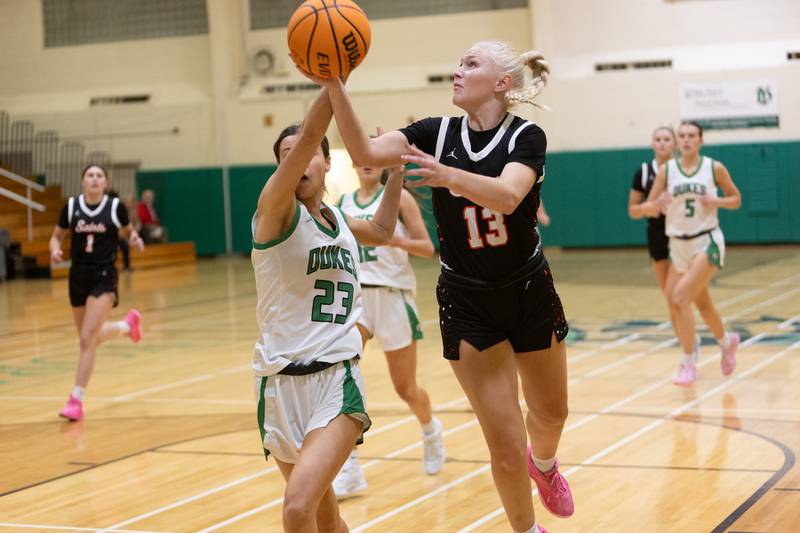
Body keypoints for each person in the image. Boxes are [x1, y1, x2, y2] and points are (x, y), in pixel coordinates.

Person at [299, 40, 572, 533]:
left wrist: (446, 175)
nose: (457, 70)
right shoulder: (431, 132)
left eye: (471, 64)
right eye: (458, 62)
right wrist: (334, 83)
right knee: (506, 447)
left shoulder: (526, 137)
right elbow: (363, 151)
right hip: (467, 298)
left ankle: (547, 465)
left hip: (527, 287)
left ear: (502, 83)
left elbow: (509, 196)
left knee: (551, 415)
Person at [252, 84, 404, 531]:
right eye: (285, 154)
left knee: (298, 508)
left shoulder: (339, 220)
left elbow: (382, 226)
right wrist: (332, 80)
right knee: (325, 515)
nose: (294, 159)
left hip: (336, 378)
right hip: (279, 384)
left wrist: (395, 174)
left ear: (328, 162)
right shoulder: (274, 212)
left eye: (304, 151)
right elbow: (308, 141)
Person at [333, 163, 443, 499]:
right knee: (342, 377)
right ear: (353, 163)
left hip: (394, 296)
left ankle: (430, 430)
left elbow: (427, 248)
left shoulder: (400, 199)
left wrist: (388, 235)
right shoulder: (342, 204)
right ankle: (349, 466)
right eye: (361, 157)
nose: (367, 163)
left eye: (374, 158)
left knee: (406, 388)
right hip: (358, 299)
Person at [643, 121, 742, 386]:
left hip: (706, 242)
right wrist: (656, 204)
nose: (686, 140)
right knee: (703, 304)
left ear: (700, 140)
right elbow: (648, 207)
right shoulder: (667, 171)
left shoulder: (713, 168)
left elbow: (736, 199)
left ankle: (688, 363)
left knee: (679, 298)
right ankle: (726, 342)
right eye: (682, 136)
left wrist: (717, 201)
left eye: (691, 136)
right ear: (679, 141)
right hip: (678, 246)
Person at [49, 164, 144, 421]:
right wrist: (54, 249)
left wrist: (135, 239)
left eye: (99, 176)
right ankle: (127, 326)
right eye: (89, 175)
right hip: (77, 276)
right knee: (88, 338)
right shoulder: (71, 207)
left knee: (86, 339)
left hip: (104, 275)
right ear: (82, 182)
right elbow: (55, 237)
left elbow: (127, 231)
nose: (94, 179)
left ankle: (76, 400)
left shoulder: (114, 208)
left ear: (105, 183)